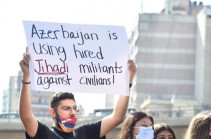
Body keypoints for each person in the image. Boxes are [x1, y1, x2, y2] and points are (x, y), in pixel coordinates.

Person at [19, 51, 137, 139]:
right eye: (66, 108)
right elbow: (26, 116)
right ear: (53, 112)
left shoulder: (84, 133)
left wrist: (127, 83)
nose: (72, 112)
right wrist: (26, 77)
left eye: (74, 108)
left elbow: (117, 117)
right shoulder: (46, 135)